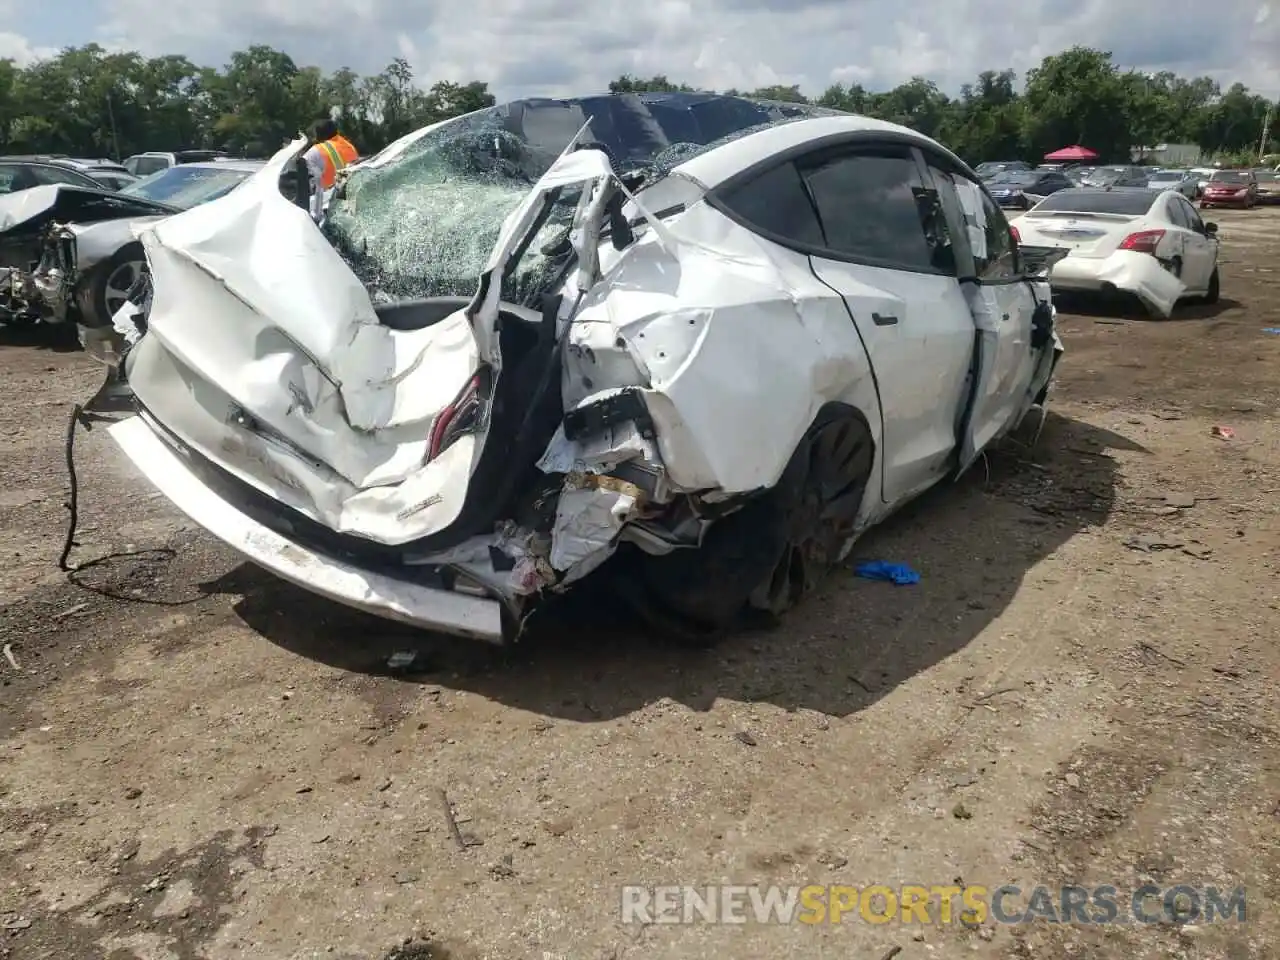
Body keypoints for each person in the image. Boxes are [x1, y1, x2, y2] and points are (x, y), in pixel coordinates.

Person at [301, 117, 358, 222]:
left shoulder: (317, 150)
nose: (313, 139)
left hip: (327, 207)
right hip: (349, 207)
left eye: (314, 136)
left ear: (319, 135)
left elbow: (300, 166)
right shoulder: (350, 147)